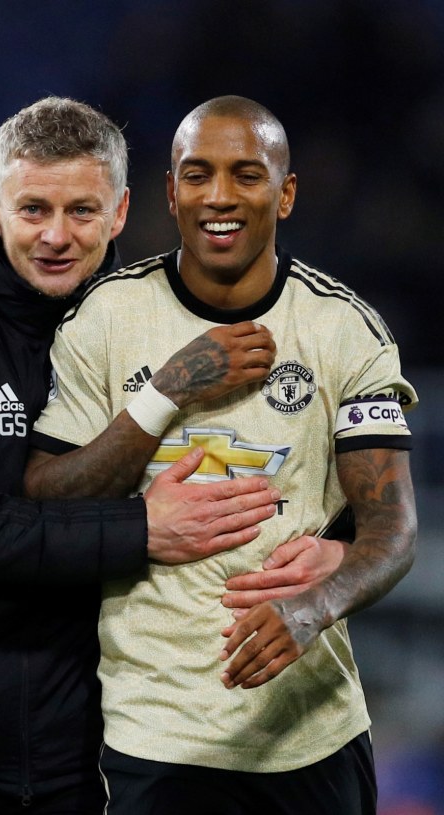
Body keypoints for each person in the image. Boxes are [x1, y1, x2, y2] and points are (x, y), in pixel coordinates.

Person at [0, 96, 341, 815]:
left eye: (82, 211)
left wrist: (339, 550)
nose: (57, 236)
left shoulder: (147, 326)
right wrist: (141, 530)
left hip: (82, 754)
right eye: (34, 209)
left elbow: (253, 483)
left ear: (122, 211)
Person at [24, 95, 419, 814]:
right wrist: (166, 391)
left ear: (286, 192)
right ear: (171, 191)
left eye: (247, 173)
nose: (220, 196)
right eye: (198, 174)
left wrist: (316, 603)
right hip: (154, 740)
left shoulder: (344, 329)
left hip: (313, 735)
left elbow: (394, 530)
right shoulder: (106, 317)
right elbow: (46, 496)